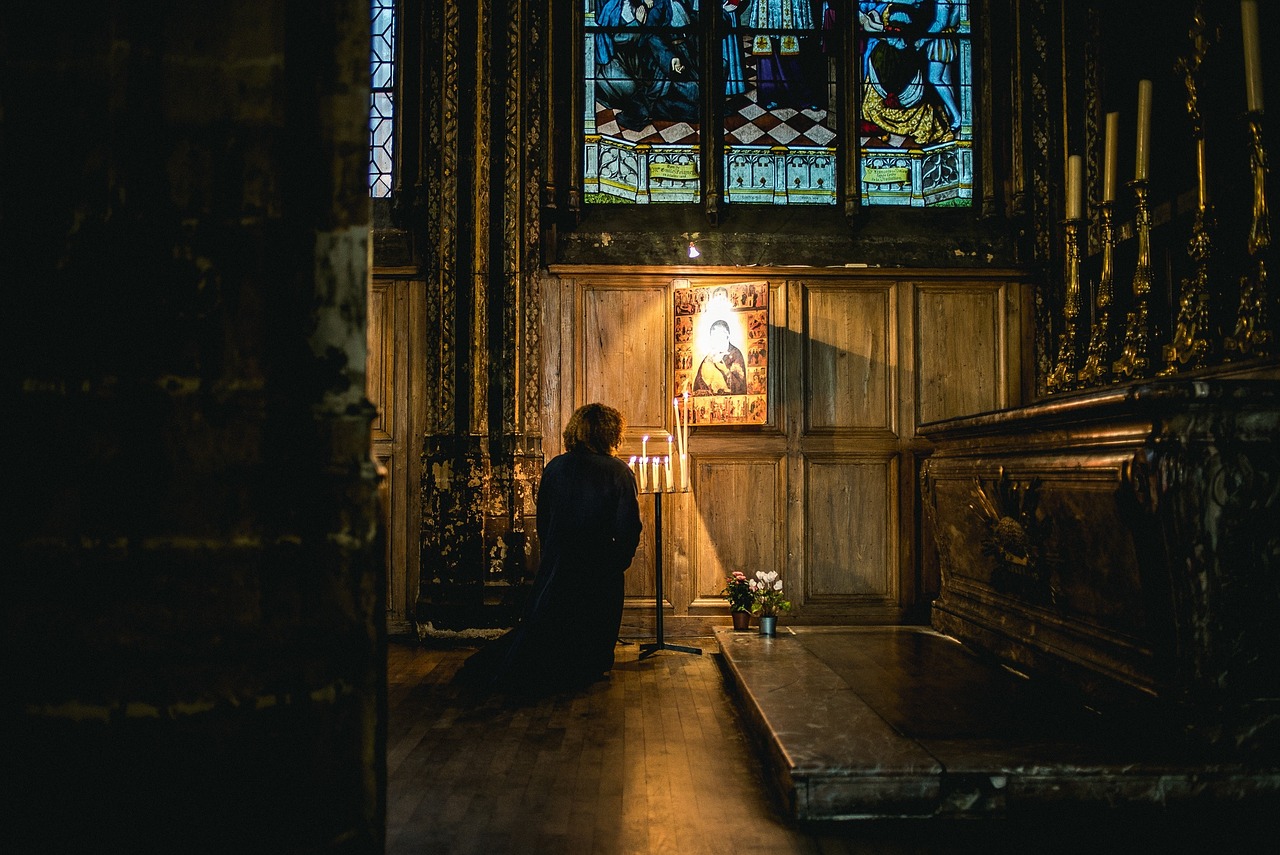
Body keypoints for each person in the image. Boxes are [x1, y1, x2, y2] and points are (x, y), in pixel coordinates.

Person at [458, 403, 642, 692]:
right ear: (610, 433)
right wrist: (619, 560)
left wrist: (555, 553)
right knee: (595, 622)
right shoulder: (619, 472)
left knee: (549, 625)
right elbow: (629, 525)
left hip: (559, 563)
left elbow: (543, 519)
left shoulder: (556, 467)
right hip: (600, 564)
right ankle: (589, 667)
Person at [693, 319, 747, 395]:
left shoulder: (735, 355)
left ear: (727, 336)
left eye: (719, 336)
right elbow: (697, 386)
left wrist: (724, 370)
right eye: (714, 337)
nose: (716, 340)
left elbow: (741, 387)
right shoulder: (709, 357)